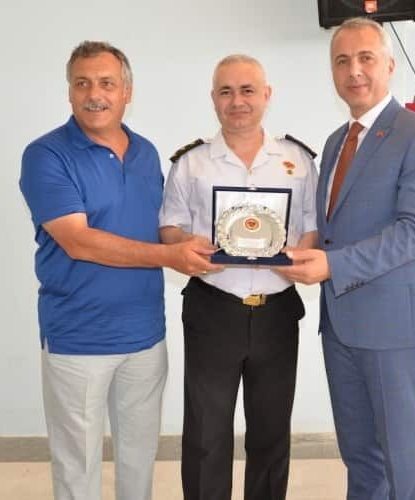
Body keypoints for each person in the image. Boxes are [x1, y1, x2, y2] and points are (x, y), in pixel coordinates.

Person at [19, 41, 220, 500]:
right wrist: (170, 256)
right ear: (69, 92)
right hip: (77, 340)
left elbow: (160, 228)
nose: (95, 94)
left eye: (107, 83)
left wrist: (203, 243)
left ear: (126, 91)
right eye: (83, 83)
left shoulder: (146, 153)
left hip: (145, 336)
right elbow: (78, 240)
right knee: (77, 466)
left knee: (138, 459)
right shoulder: (46, 155)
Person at [277, 18, 415, 500]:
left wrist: (332, 266)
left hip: (395, 326)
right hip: (341, 324)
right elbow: (336, 227)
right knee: (359, 455)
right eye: (342, 61)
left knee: (402, 456)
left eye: (365, 58)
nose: (353, 70)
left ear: (389, 66)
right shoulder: (337, 140)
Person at [159, 54, 318, 500]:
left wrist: (296, 255)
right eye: (226, 92)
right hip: (213, 309)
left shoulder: (297, 160)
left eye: (247, 90)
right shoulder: (191, 163)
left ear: (266, 95)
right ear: (213, 98)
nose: (237, 101)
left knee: (271, 432)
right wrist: (187, 245)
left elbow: (311, 226)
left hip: (276, 313)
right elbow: (169, 227)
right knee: (206, 435)